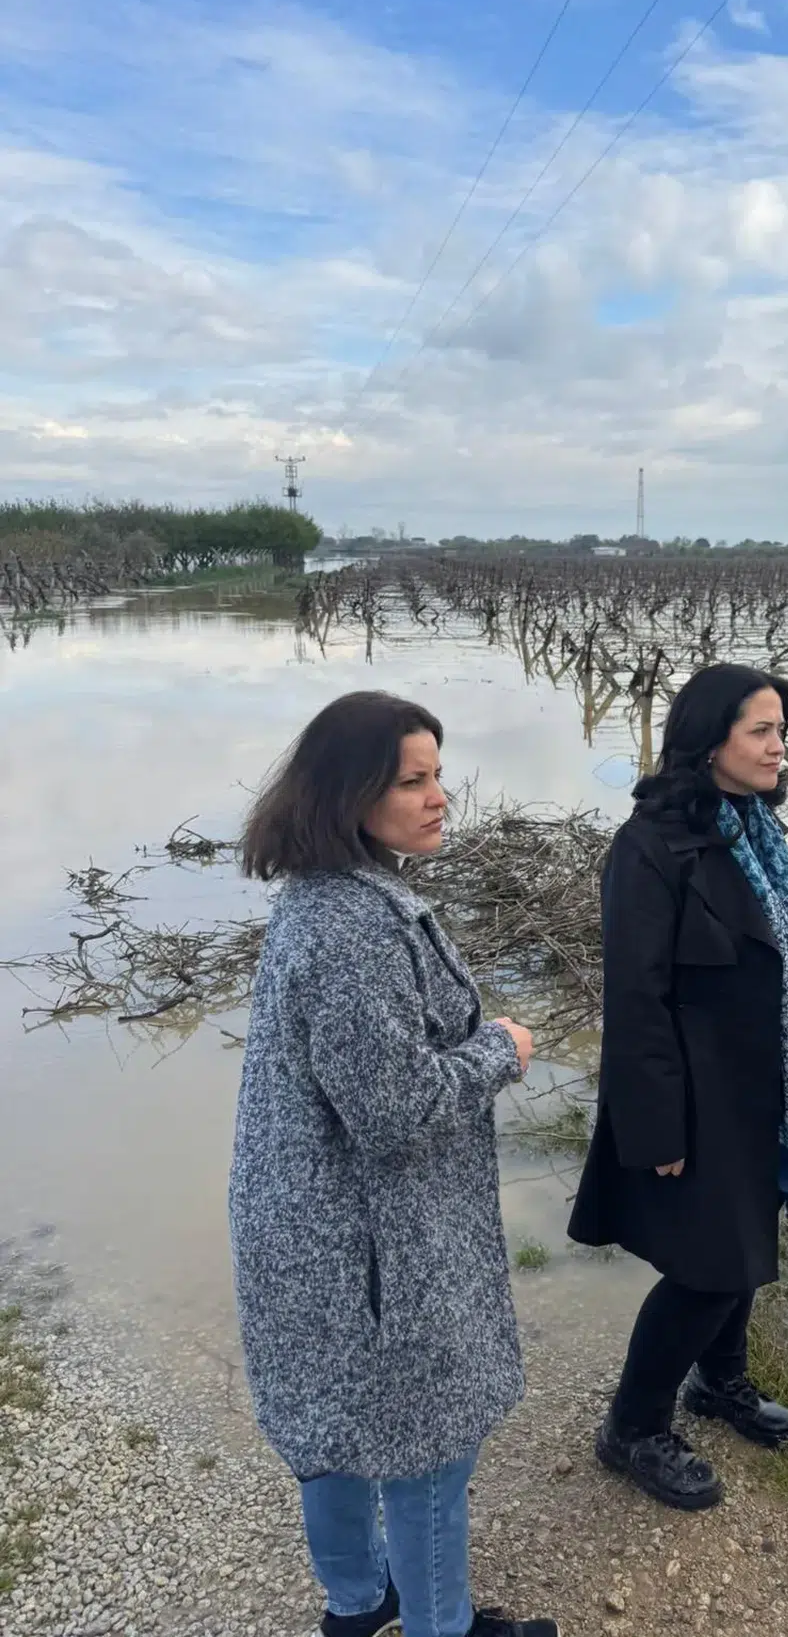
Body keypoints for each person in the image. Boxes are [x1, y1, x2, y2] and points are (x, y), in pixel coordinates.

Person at [230, 691, 558, 1637]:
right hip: (365, 1241)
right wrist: (500, 1049)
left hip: (316, 1226)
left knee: (334, 1424)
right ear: (350, 793)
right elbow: (397, 1112)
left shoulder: (325, 897)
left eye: (438, 775)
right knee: (428, 1445)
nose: (439, 796)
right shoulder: (355, 929)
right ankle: (436, 1623)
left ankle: (357, 1600)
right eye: (413, 780)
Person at [569, 662, 788, 1510]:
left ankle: (718, 1380)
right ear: (709, 739)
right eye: (760, 730)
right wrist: (658, 1128)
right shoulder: (651, 845)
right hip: (696, 1098)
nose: (778, 747)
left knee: (744, 1247)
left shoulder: (755, 830)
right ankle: (633, 1425)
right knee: (710, 1269)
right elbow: (636, 996)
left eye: (781, 730)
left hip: (762, 1088)